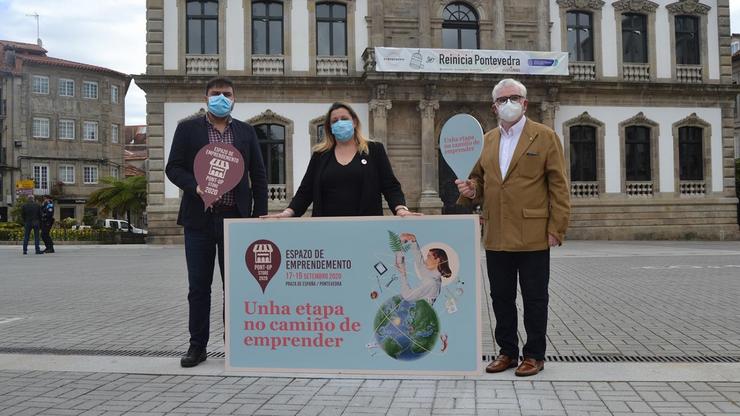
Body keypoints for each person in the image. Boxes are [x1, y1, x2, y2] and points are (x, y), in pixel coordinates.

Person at [456, 78, 570, 377]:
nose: (508, 103)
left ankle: (534, 355)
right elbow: (480, 181)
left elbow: (558, 185)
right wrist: (471, 190)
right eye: (502, 99)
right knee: (501, 297)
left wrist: (557, 227)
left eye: (514, 97)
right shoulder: (487, 140)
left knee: (535, 297)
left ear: (525, 103)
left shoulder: (544, 137)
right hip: (496, 233)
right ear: (494, 107)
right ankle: (507, 351)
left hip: (533, 232)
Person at [166, 77, 268, 368]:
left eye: (227, 94)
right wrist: (195, 185)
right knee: (198, 287)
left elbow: (258, 176)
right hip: (199, 220)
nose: (221, 98)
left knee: (234, 287)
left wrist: (258, 216)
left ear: (235, 99)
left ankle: (234, 344)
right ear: (206, 97)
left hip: (234, 221)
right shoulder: (188, 129)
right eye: (215, 94)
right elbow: (173, 167)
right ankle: (197, 347)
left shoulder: (246, 132)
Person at [262, 102, 419, 218]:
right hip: (326, 229)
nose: (339, 123)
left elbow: (390, 186)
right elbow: (306, 190)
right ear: (329, 127)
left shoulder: (374, 150)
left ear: (354, 122)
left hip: (366, 227)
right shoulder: (320, 155)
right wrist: (288, 212)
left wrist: (401, 209)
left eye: (344, 118)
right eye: (334, 121)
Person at [395, 232, 451, 305]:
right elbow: (420, 261)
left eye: (429, 257)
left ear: (438, 260)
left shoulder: (431, 282)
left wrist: (403, 274)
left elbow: (407, 296)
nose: (425, 260)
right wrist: (413, 240)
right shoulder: (435, 273)